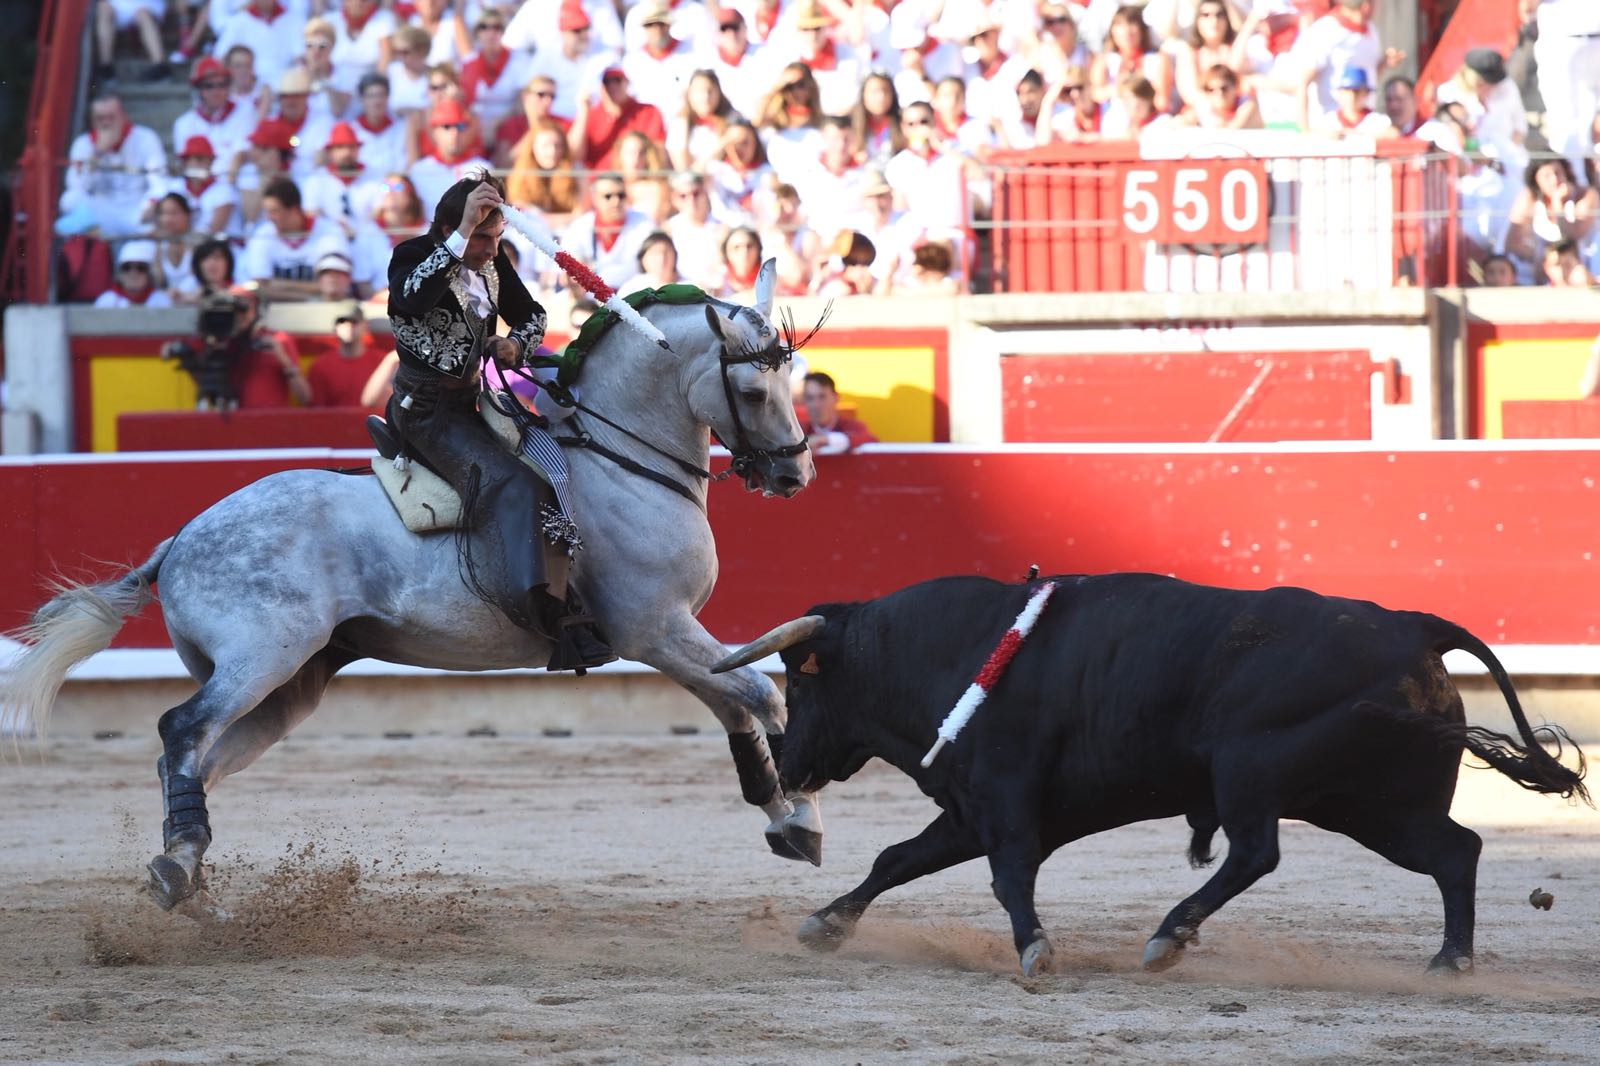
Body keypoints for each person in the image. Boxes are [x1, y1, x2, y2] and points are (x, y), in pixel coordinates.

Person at [384, 171, 612, 671]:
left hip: (474, 404)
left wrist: (515, 345)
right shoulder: (411, 254)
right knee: (514, 484)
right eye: (480, 237)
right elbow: (411, 298)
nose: (490, 248)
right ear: (450, 227)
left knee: (556, 461)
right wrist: (461, 232)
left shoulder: (491, 262)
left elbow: (531, 315)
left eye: (496, 237)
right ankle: (544, 614)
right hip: (425, 414)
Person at [56, 94, 168, 239]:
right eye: (100, 118)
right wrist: (97, 153)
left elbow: (159, 182)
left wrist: (150, 204)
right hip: (102, 209)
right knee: (69, 199)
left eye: (111, 117)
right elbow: (76, 186)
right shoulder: (83, 144)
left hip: (136, 208)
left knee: (159, 213)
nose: (106, 123)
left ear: (123, 116)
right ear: (93, 121)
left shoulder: (145, 137)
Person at [307, 302, 388, 407]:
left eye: (354, 321)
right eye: (342, 321)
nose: (348, 326)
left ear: (364, 325)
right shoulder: (321, 365)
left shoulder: (382, 361)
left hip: (372, 421)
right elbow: (317, 408)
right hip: (335, 422)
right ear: (335, 327)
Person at [799, 371, 876, 454]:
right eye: (810, 398)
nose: (816, 405)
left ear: (836, 398)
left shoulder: (852, 427)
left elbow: (870, 441)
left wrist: (826, 439)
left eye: (822, 397)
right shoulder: (799, 430)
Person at [94, 240, 172, 307]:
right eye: (126, 267)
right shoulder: (106, 301)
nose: (133, 273)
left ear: (148, 274)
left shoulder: (161, 301)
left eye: (141, 268)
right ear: (119, 274)